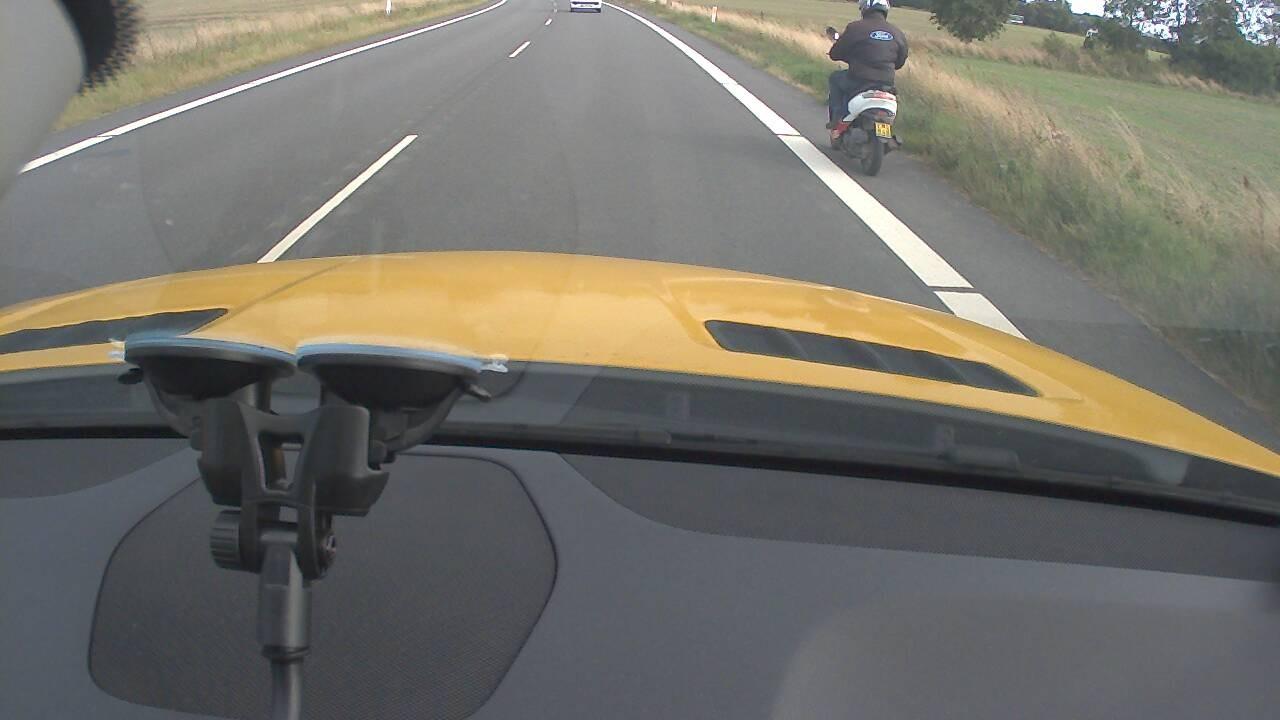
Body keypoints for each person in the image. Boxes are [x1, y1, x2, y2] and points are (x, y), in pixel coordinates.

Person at [826, 0, 908, 135]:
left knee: (835, 78)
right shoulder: (897, 32)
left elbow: (835, 54)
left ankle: (836, 121)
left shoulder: (855, 28)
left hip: (859, 80)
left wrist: (850, 58)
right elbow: (900, 62)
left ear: (864, 8)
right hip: (886, 84)